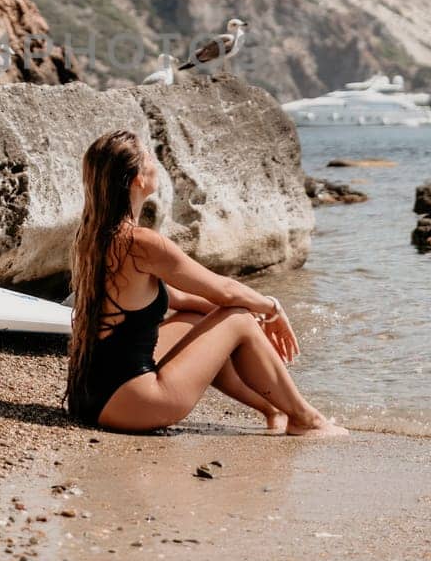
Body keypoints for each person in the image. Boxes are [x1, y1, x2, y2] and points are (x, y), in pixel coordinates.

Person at [65, 129, 348, 435]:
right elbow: (225, 289)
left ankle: (273, 409)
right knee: (237, 319)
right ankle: (306, 419)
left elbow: (183, 299)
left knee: (199, 318)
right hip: (135, 402)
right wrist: (271, 309)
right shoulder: (141, 243)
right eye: (150, 157)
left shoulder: (93, 239)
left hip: (89, 398)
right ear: (137, 179)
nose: (155, 163)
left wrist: (243, 315)